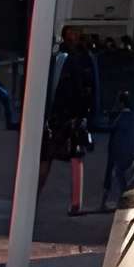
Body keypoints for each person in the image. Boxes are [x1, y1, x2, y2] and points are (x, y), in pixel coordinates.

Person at [38, 27, 100, 213]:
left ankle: (75, 203)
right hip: (57, 115)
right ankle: (35, 195)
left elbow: (88, 89)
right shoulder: (60, 58)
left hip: (70, 116)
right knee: (48, 157)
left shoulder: (80, 59)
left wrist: (84, 115)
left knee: (74, 156)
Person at [99, 93, 134, 211]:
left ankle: (117, 201)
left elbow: (111, 128)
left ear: (121, 103)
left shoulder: (123, 117)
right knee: (120, 175)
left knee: (116, 175)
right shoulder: (132, 117)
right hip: (124, 151)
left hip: (117, 151)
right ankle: (122, 200)